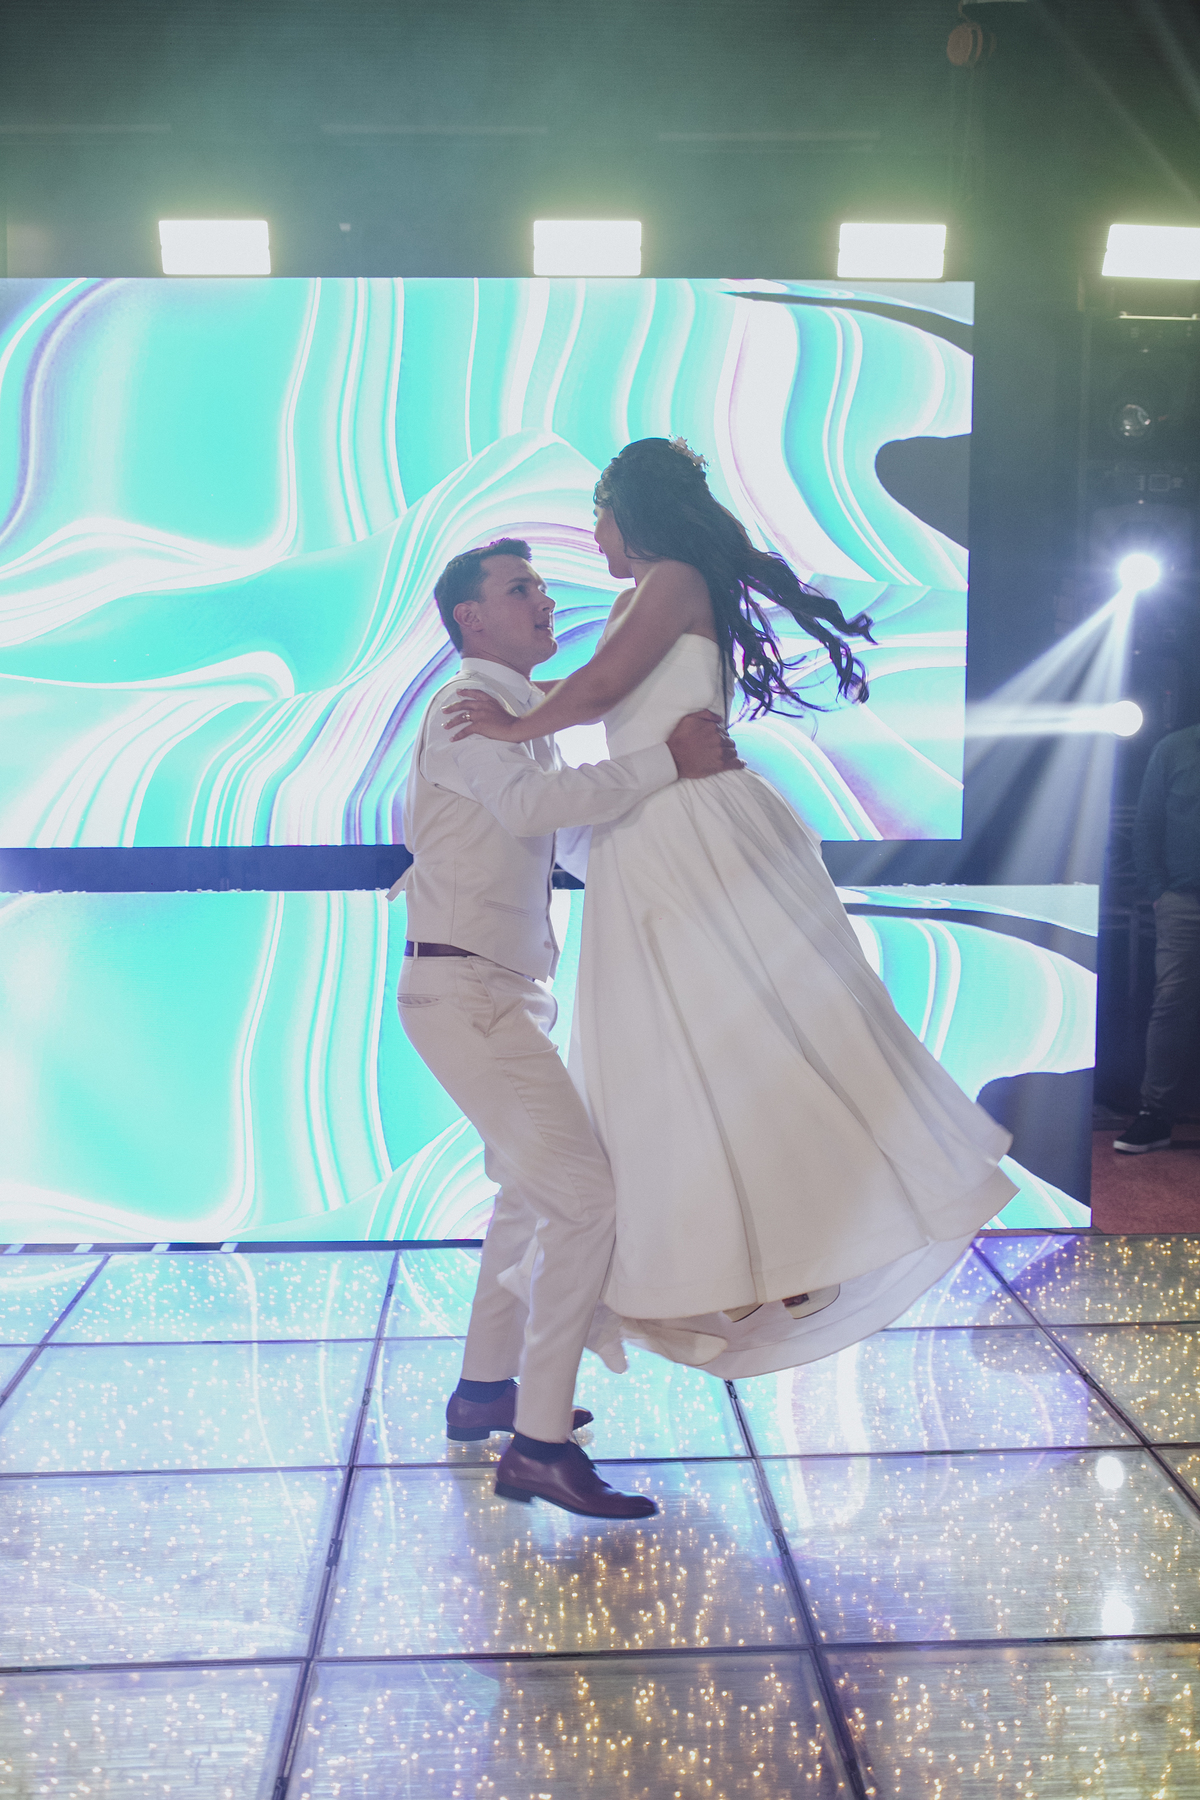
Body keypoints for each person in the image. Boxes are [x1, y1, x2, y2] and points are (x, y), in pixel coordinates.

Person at [448, 437, 1016, 1377]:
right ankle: (752, 1258)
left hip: (688, 827)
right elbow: (597, 687)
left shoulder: (671, 579)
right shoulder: (649, 593)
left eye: (598, 518)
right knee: (678, 1053)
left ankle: (799, 1243)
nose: (595, 539)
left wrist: (514, 723)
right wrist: (524, 707)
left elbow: (600, 689)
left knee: (737, 1033)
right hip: (653, 830)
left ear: (632, 512)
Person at [397, 535, 741, 1518]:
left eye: (544, 586)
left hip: (493, 994)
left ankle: (484, 1392)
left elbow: (567, 833)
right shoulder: (469, 707)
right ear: (471, 617)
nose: (546, 601)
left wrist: (687, 831)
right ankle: (540, 1445)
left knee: (528, 1196)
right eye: (522, 589)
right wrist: (665, 763)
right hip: (467, 998)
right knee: (585, 1201)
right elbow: (529, 808)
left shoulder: (519, 720)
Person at [1115, 723, 1200, 1153]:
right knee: (1171, 1004)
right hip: (1183, 899)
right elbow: (1147, 825)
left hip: (1178, 895)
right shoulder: (1174, 749)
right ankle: (1155, 1115)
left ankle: (1157, 1114)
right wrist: (1158, 892)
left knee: (1171, 1004)